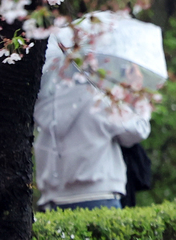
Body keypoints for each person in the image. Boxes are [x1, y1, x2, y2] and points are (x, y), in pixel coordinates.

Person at [34, 59, 152, 211]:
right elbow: (138, 129)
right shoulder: (99, 102)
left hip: (53, 200)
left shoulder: (46, 104)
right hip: (99, 195)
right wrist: (136, 91)